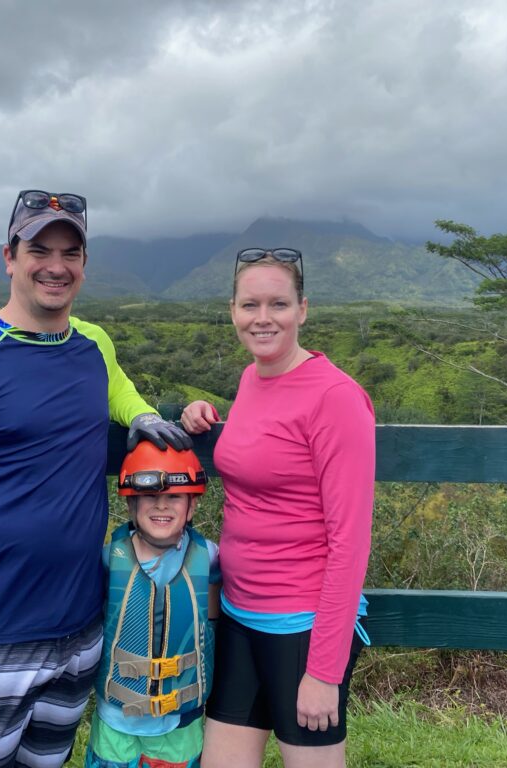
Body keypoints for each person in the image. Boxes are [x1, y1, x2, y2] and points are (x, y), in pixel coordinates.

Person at [0, 189, 191, 768]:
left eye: (70, 252)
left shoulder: (93, 343)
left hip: (78, 634)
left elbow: (116, 384)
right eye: (39, 249)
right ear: (9, 256)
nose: (55, 265)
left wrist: (143, 415)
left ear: (85, 264)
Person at [180, 248, 374, 768]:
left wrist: (324, 672)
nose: (262, 318)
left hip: (304, 626)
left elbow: (351, 542)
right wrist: (204, 419)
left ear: (303, 310)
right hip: (242, 614)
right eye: (250, 305)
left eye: (278, 304)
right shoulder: (251, 378)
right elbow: (263, 453)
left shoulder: (336, 397)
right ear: (233, 311)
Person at [86, 441, 220, 768]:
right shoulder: (108, 560)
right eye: (150, 496)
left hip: (180, 726)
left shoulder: (211, 559)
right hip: (115, 724)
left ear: (192, 505)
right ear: (133, 504)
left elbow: (214, 624)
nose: (162, 506)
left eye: (174, 496)